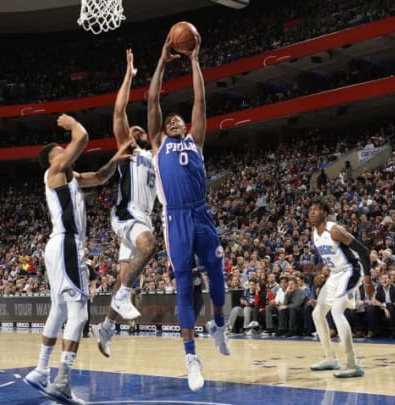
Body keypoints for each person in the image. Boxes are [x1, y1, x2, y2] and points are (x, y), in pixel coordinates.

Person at [23, 114, 132, 403]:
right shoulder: (56, 169)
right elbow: (81, 137)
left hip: (59, 245)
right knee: (79, 313)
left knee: (58, 311)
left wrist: (120, 155)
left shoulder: (71, 177)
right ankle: (61, 380)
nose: (65, 150)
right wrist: (71, 123)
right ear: (52, 160)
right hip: (67, 243)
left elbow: (101, 177)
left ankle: (40, 370)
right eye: (60, 150)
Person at [147, 33, 230, 391]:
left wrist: (194, 59)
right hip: (175, 217)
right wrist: (163, 62)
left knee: (218, 275)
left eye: (178, 121)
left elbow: (201, 100)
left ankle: (220, 326)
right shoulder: (158, 144)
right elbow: (152, 99)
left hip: (200, 213)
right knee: (183, 287)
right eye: (170, 122)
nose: (175, 123)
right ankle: (191, 357)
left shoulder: (196, 142)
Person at [91, 49, 158, 358]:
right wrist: (128, 76)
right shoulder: (128, 152)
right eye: (129, 131)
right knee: (149, 247)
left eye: (136, 130)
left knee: (122, 278)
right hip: (128, 213)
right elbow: (119, 113)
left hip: (143, 216)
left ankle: (106, 327)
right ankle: (123, 297)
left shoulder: (155, 156)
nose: (132, 130)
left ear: (144, 134)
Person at [308, 198, 370, 378]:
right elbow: (333, 256)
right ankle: (330, 359)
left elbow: (364, 251)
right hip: (335, 274)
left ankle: (353, 363)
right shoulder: (314, 234)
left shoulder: (335, 230)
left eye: (316, 209)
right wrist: (324, 271)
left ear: (325, 214)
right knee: (317, 314)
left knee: (336, 311)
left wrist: (368, 279)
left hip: (351, 270)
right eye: (310, 209)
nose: (312, 212)